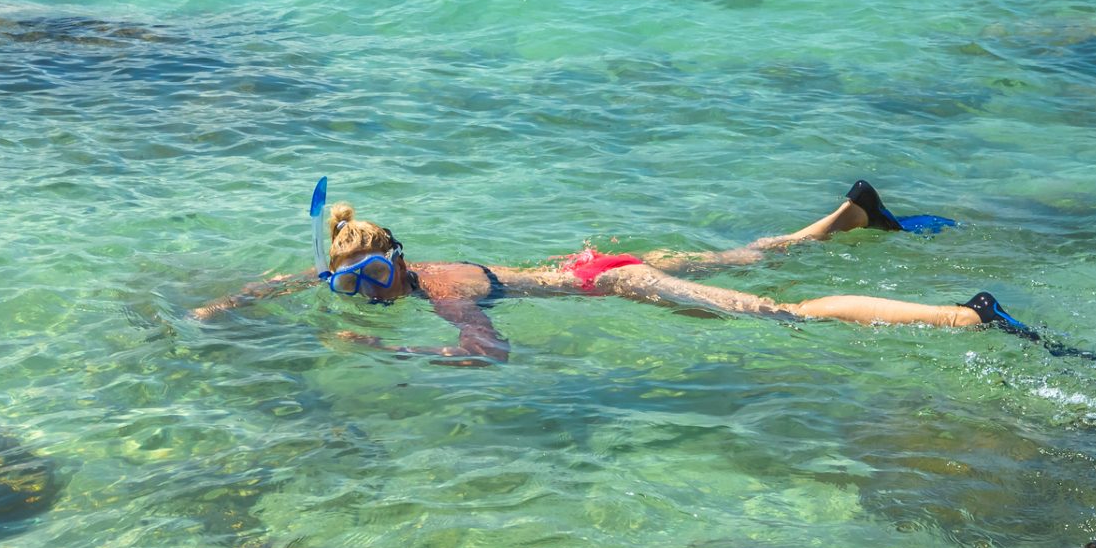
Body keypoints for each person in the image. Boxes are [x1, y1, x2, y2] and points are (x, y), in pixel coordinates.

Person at [194, 181, 1027, 363]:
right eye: (354, 284)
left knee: (782, 312)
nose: (371, 293)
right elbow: (295, 280)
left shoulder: (439, 290)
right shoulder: (362, 274)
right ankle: (843, 219)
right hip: (584, 263)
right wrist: (229, 303)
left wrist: (388, 355)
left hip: (616, 280)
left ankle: (963, 315)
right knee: (742, 255)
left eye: (374, 276)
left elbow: (489, 354)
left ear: (399, 262)